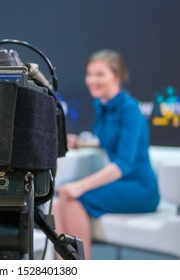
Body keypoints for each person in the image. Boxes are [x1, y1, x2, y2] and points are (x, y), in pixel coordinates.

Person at [52, 50, 160, 259]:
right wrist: (81, 143)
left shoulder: (129, 109)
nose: (92, 80)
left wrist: (80, 186)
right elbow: (106, 140)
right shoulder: (101, 105)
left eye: (100, 74)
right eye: (90, 74)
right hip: (119, 183)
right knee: (57, 203)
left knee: (72, 198)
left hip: (141, 188)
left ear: (117, 76)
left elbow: (124, 164)